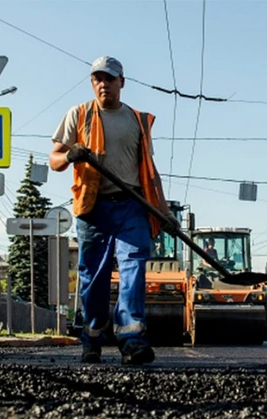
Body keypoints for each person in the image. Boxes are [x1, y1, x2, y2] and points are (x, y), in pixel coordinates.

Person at [49, 56, 178, 365]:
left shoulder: (136, 120)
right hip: (94, 210)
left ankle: (132, 340)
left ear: (122, 82)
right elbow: (54, 159)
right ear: (93, 83)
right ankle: (92, 337)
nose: (103, 84)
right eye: (97, 79)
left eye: (109, 78)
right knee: (94, 277)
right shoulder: (78, 114)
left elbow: (150, 170)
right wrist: (71, 155)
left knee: (134, 268)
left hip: (132, 205)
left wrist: (164, 211)